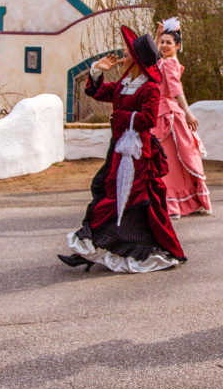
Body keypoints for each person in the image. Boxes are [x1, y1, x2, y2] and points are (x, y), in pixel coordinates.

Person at [60, 26, 186, 273]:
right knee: (108, 194)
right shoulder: (127, 83)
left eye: (128, 54)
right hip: (119, 150)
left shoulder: (149, 86)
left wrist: (122, 117)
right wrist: (97, 71)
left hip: (136, 154)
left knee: (120, 201)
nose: (124, 57)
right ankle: (92, 250)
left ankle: (94, 250)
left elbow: (149, 118)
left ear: (138, 59)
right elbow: (100, 91)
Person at [153, 17, 211, 218]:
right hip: (166, 111)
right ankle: (187, 200)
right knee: (174, 159)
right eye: (162, 42)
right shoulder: (169, 61)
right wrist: (158, 34)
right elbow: (151, 61)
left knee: (165, 160)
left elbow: (176, 89)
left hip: (166, 115)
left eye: (169, 42)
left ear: (178, 45)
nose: (164, 46)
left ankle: (172, 203)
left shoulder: (168, 63)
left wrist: (187, 112)